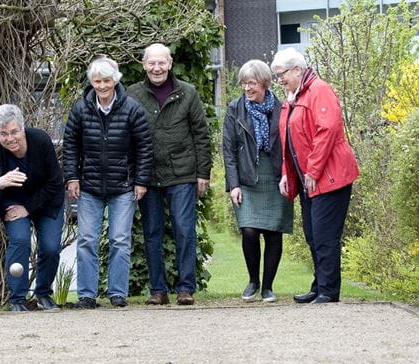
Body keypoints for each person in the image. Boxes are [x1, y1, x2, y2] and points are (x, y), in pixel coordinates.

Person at [62, 56, 153, 309]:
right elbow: (70, 146)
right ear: (92, 82)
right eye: (97, 81)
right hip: (89, 185)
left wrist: (141, 181)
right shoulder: (81, 108)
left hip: (123, 186)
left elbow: (144, 147)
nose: (102, 86)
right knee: (87, 240)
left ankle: (117, 293)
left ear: (116, 81)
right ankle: (87, 295)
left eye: (107, 81)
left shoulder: (132, 109)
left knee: (120, 240)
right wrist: (72, 177)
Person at [271, 48, 359, 304]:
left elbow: (327, 130)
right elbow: (290, 139)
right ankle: (320, 284)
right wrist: (288, 173)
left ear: (297, 69)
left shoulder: (319, 90)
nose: (280, 80)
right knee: (312, 234)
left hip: (330, 176)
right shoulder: (295, 95)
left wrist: (313, 170)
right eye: (277, 76)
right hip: (310, 179)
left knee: (324, 235)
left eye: (282, 74)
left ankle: (328, 291)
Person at [127, 43, 211, 306]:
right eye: (151, 63)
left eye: (161, 63)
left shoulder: (188, 92)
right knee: (152, 233)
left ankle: (186, 289)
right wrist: (131, 174)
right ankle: (158, 291)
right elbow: (126, 136)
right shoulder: (132, 94)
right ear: (144, 65)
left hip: (182, 174)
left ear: (170, 63)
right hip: (147, 175)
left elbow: (201, 135)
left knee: (184, 231)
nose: (156, 68)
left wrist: (203, 173)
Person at [222, 60, 293, 303]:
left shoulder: (282, 108)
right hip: (246, 176)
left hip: (275, 175)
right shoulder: (235, 108)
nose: (247, 88)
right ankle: (253, 281)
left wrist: (287, 174)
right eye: (243, 83)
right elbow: (228, 150)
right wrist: (233, 185)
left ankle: (268, 287)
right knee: (249, 229)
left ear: (264, 83)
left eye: (251, 83)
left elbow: (289, 145)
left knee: (274, 232)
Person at [0, 104, 64, 312]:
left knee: (51, 247)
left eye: (14, 132)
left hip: (46, 200)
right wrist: (2, 181)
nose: (10, 138)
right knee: (20, 239)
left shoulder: (40, 140)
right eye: (3, 134)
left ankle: (43, 294)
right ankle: (17, 299)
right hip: (13, 202)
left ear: (22, 127)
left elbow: (55, 181)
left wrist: (28, 208)